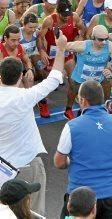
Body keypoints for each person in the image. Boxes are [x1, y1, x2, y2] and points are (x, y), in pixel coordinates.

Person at [0, 30, 66, 216]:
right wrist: (60, 49)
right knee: (33, 212)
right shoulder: (26, 97)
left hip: (1, 168)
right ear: (21, 77)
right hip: (26, 165)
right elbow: (54, 78)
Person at [54, 80, 112, 219]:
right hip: (111, 195)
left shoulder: (72, 126)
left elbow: (59, 163)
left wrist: (69, 161)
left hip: (80, 196)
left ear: (83, 101)